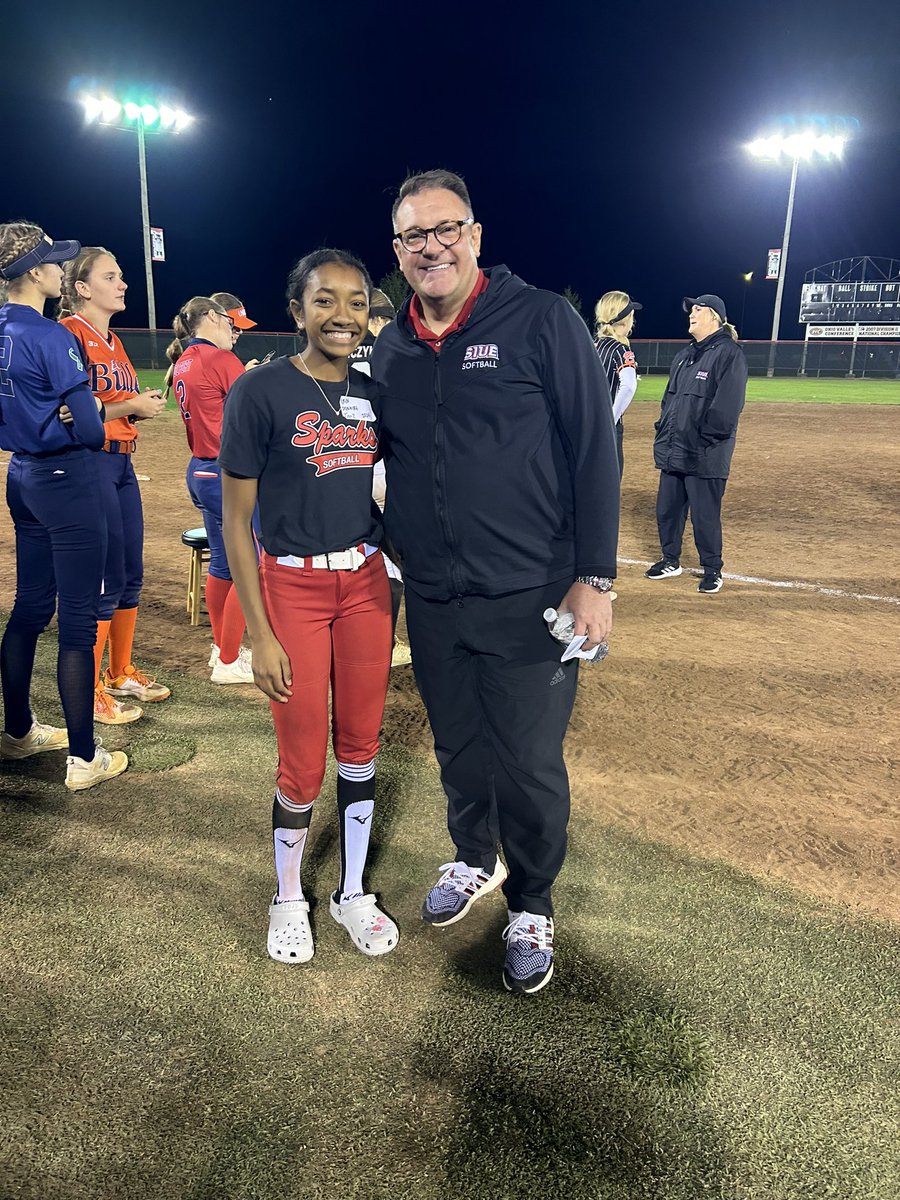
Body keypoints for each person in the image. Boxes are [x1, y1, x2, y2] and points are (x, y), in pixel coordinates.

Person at [372, 170, 620, 995]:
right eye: (414, 236)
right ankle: (474, 857)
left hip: (533, 594)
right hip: (435, 595)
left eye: (446, 229)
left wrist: (595, 578)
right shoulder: (395, 346)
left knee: (528, 758)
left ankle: (533, 899)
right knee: (459, 745)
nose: (431, 246)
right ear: (398, 250)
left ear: (475, 234)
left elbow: (595, 451)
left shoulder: (542, 319)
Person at [219, 248, 398, 965]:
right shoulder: (260, 392)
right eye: (326, 300)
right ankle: (288, 894)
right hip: (291, 586)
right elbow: (236, 521)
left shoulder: (374, 390)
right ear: (298, 311)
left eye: (357, 302)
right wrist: (259, 632)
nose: (343, 316)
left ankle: (352, 891)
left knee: (360, 745)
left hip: (366, 584)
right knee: (302, 760)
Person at [0, 221, 127, 790]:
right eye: (52, 261)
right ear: (33, 271)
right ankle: (83, 757)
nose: (60, 268)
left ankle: (19, 731)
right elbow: (96, 428)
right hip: (65, 479)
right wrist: (75, 417)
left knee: (29, 607)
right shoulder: (52, 336)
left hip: (21, 475)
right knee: (77, 620)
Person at [59, 246, 170, 724]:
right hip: (90, 462)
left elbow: (112, 398)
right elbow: (70, 411)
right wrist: (132, 407)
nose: (123, 283)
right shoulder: (69, 334)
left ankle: (121, 669)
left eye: (123, 275)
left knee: (129, 571)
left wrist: (135, 403)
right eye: (112, 276)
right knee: (102, 577)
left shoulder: (113, 339)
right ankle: (93, 689)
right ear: (83, 288)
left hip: (121, 463)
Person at [170, 296, 256, 682]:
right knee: (248, 568)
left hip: (201, 470)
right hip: (227, 473)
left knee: (223, 565)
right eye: (230, 323)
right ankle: (228, 658)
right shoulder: (220, 359)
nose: (234, 330)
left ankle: (221, 649)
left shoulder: (185, 359)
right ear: (210, 317)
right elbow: (255, 413)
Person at [645, 294, 748, 594]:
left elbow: (727, 408)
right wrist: (664, 429)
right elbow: (669, 400)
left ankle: (712, 569)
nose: (692, 313)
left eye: (698, 309)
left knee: (705, 515)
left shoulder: (729, 354)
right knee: (667, 510)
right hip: (675, 448)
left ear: (715, 317)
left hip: (704, 453)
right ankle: (670, 560)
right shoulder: (685, 355)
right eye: (691, 310)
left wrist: (704, 439)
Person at [348, 290, 412, 668]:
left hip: (349, 463)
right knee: (397, 557)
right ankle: (383, 641)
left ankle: (364, 636)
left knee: (361, 554)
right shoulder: (395, 348)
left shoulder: (340, 351)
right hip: (387, 464)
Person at [594, 291, 641, 477]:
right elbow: (628, 386)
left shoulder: (593, 344)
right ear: (625, 318)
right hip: (606, 428)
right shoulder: (620, 349)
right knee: (608, 483)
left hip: (586, 424)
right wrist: (610, 420)